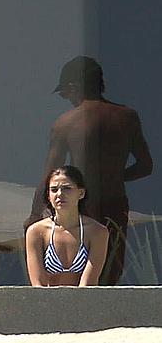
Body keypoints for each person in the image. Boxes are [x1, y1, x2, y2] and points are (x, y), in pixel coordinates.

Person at [25, 56, 152, 285]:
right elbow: (146, 166)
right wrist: (114, 176)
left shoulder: (67, 122)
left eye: (65, 94)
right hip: (115, 206)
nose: (67, 99)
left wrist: (36, 214)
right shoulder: (127, 117)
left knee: (76, 275)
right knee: (110, 274)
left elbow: (50, 172)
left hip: (84, 208)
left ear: (74, 88)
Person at [26, 165, 109, 286]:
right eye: (54, 189)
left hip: (85, 302)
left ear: (81, 193)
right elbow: (38, 284)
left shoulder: (97, 232)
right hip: (45, 302)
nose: (59, 194)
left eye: (66, 188)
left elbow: (89, 283)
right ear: (48, 196)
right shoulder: (36, 232)